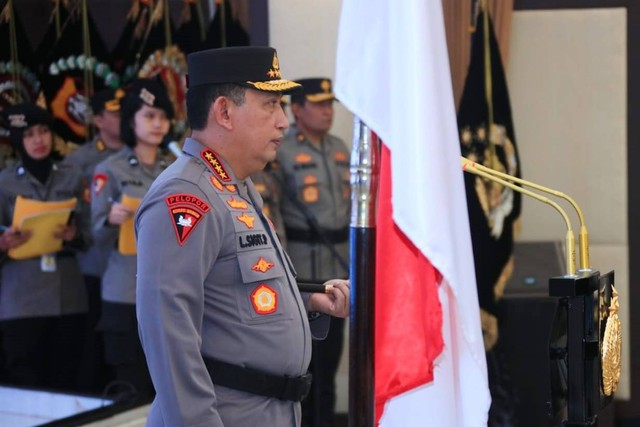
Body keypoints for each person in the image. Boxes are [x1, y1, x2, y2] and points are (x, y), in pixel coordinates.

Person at [135, 46, 350, 427]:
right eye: (271, 105)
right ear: (224, 112)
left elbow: (236, 289)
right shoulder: (185, 196)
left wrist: (313, 299)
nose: (283, 122)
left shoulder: (234, 184)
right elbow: (168, 333)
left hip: (268, 410)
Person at [273, 78, 350, 427]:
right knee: (301, 366)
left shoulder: (339, 148)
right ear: (298, 109)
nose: (327, 111)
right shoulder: (281, 151)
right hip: (300, 271)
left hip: (338, 264)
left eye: (330, 104)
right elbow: (273, 213)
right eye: (318, 104)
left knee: (331, 364)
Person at [91, 78, 173, 401]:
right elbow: (93, 238)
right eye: (149, 116)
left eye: (163, 117)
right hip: (124, 292)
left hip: (168, 291)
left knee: (166, 388)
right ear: (130, 121)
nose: (157, 124)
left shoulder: (176, 169)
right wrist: (109, 222)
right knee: (130, 389)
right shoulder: (108, 170)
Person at [0, 103, 88, 390]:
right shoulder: (5, 182)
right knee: (27, 382)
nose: (38, 140)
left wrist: (75, 233)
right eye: (29, 135)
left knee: (68, 379)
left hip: (67, 293)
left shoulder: (71, 174)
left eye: (43, 132)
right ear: (18, 141)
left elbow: (92, 230)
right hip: (22, 296)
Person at [63, 87, 126, 392]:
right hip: (94, 261)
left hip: (128, 263)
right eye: (115, 113)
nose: (123, 118)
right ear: (99, 119)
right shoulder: (82, 160)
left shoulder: (138, 154)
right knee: (93, 341)